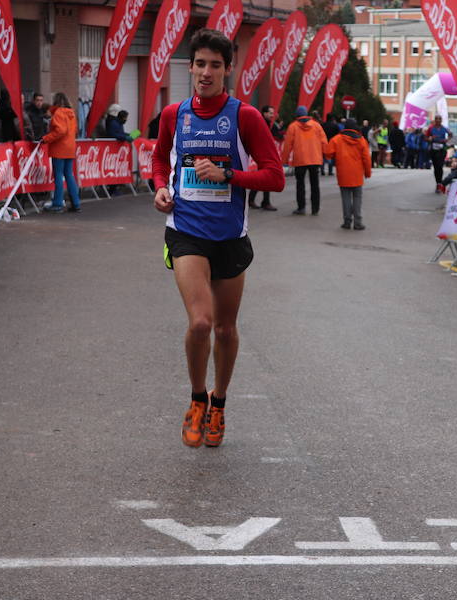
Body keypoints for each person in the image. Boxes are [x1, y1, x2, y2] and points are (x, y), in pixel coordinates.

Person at [151, 28, 284, 448]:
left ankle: (219, 402)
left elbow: (275, 177)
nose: (206, 73)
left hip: (230, 236)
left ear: (228, 70)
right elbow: (159, 158)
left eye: (215, 65)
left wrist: (228, 174)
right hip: (186, 230)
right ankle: (195, 398)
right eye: (199, 64)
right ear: (189, 66)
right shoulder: (174, 114)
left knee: (225, 329)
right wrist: (158, 186)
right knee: (201, 322)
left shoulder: (245, 116)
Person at [324, 118, 371, 230]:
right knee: (357, 198)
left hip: (343, 174)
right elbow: (367, 159)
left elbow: (328, 153)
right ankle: (358, 222)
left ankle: (347, 221)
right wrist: (367, 172)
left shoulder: (337, 139)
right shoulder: (361, 140)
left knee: (345, 198)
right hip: (357, 175)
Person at [282, 105, 327, 215]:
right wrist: (327, 155)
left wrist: (284, 160)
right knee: (315, 185)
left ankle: (301, 207)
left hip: (300, 160)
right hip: (315, 159)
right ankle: (315, 208)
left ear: (297, 115)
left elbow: (287, 145)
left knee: (300, 184)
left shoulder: (293, 127)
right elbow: (324, 142)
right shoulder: (316, 126)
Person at [41, 92, 80, 213]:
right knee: (69, 175)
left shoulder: (58, 113)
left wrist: (46, 138)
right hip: (70, 147)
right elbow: (73, 131)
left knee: (58, 175)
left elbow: (60, 131)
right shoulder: (71, 114)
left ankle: (57, 203)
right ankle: (76, 202)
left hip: (59, 148)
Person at [248, 105, 279, 210]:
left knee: (263, 178)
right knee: (266, 177)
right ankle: (264, 202)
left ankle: (255, 200)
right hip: (262, 155)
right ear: (265, 113)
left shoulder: (268, 123)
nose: (272, 115)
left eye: (273, 113)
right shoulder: (261, 122)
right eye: (270, 113)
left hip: (264, 155)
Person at [425, 114, 451, 192]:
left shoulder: (444, 128)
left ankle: (440, 183)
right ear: (435, 120)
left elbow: (450, 134)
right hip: (433, 150)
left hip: (442, 149)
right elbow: (425, 137)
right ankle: (438, 183)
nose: (438, 120)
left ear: (441, 120)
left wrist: (447, 140)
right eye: (437, 119)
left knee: (440, 166)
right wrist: (430, 139)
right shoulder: (431, 128)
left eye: (440, 119)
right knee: (436, 167)